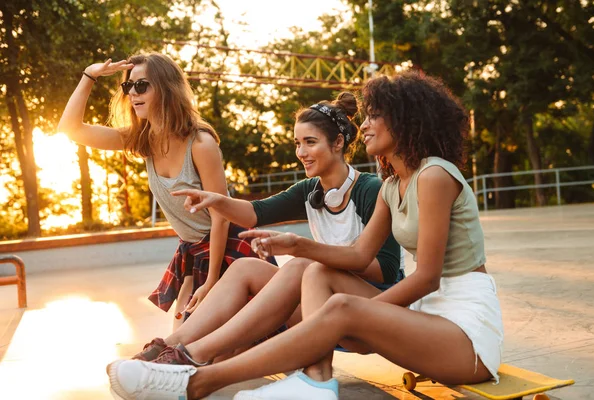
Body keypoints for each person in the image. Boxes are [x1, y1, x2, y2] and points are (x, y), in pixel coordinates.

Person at [106, 71, 504, 400]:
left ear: (405, 119)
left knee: (339, 303)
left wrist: (360, 313)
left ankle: (194, 384)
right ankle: (306, 378)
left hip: (465, 336)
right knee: (310, 271)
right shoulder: (392, 184)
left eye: (373, 116)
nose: (363, 125)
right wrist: (297, 246)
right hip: (424, 322)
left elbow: (426, 277)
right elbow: (356, 253)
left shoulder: (433, 175)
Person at [126, 92, 404, 368]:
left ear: (338, 142)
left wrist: (313, 256)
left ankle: (194, 354)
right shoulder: (310, 190)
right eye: (297, 144)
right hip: (325, 306)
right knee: (246, 267)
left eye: (310, 142)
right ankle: (173, 346)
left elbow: (386, 270)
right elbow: (254, 214)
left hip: (375, 310)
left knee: (302, 267)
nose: (301, 153)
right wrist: (216, 200)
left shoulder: (370, 190)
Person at [57, 53, 273, 329]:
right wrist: (89, 76)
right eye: (128, 86)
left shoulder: (200, 143)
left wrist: (211, 283)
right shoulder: (142, 140)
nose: (133, 93)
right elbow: (70, 129)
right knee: (183, 338)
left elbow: (221, 217)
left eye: (142, 85)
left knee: (222, 343)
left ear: (167, 87)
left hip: (230, 249)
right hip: (194, 252)